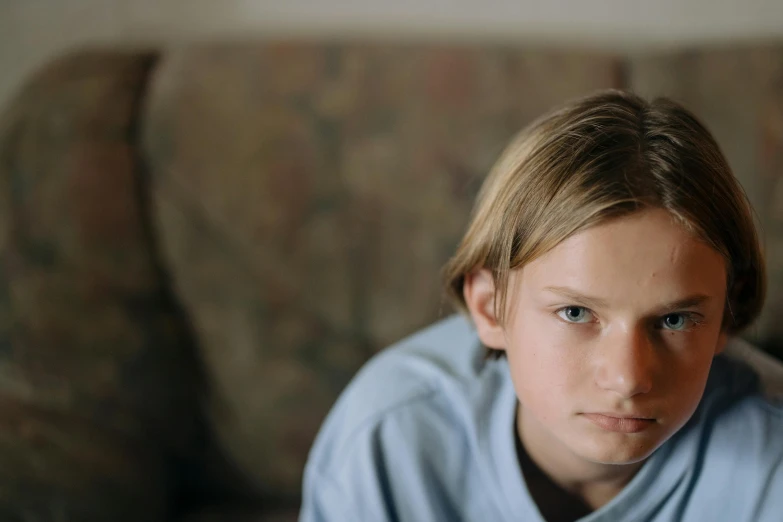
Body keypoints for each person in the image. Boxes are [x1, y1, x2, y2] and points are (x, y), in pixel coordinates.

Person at [299, 90, 783, 522]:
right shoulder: (388, 437)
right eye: (575, 313)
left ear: (727, 315)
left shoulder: (770, 458)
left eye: (674, 319)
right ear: (490, 310)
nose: (629, 377)